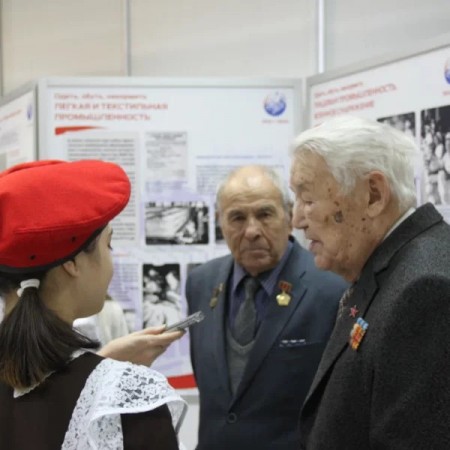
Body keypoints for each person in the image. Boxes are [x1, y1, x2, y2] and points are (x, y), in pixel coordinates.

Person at [0, 160, 186, 449]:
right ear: (72, 262)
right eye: (108, 244)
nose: (111, 262)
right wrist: (104, 376)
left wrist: (101, 364)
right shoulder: (129, 401)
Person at [290, 116, 450, 449]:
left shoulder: (425, 290)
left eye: (308, 199)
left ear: (373, 195)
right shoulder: (395, 268)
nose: (297, 220)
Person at [186, 165, 347, 450]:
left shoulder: (333, 287)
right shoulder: (200, 283)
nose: (251, 231)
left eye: (264, 214)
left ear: (289, 217)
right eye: (237, 217)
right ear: (220, 222)